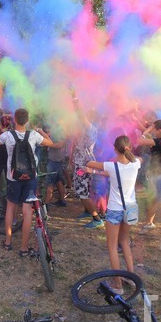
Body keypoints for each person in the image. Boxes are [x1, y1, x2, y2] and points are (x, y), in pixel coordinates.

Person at [0, 108, 54, 256]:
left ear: (14, 119)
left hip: (13, 178)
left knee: (11, 208)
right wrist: (40, 131)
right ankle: (24, 248)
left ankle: (8, 242)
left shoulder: (8, 136)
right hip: (30, 178)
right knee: (27, 213)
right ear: (27, 120)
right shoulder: (33, 135)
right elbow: (50, 143)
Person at [85, 136, 141, 292]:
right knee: (125, 242)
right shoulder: (136, 163)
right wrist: (96, 171)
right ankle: (132, 278)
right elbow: (117, 172)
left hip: (115, 210)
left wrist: (92, 167)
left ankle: (117, 285)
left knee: (112, 246)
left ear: (115, 149)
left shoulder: (111, 165)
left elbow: (90, 163)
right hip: (130, 209)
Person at [136, 120, 161, 250]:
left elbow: (139, 141)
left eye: (154, 128)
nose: (152, 130)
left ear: (159, 130)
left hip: (160, 177)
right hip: (158, 175)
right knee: (153, 200)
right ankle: (149, 223)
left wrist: (146, 131)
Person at [69, 89, 105, 229]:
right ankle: (87, 211)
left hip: (84, 165)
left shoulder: (90, 129)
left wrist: (74, 98)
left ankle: (97, 219)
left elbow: (79, 114)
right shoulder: (85, 129)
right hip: (80, 163)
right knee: (80, 190)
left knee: (83, 193)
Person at [43, 126, 68, 206]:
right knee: (58, 181)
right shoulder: (56, 130)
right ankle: (62, 200)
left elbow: (60, 145)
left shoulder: (60, 131)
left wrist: (49, 144)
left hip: (55, 161)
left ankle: (46, 205)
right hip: (57, 160)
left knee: (50, 183)